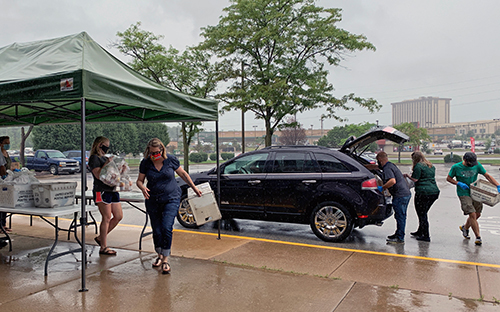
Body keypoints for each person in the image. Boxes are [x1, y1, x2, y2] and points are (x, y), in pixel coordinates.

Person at [136, 138, 201, 274]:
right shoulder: (146, 163)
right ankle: (159, 255)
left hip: (171, 198)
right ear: (148, 151)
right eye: (152, 152)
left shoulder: (170, 160)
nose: (155, 155)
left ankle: (165, 259)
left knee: (166, 227)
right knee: (157, 230)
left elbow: (182, 174)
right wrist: (142, 188)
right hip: (153, 200)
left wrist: (194, 188)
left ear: (162, 150)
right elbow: (139, 181)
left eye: (157, 152)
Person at [447, 152, 500, 246]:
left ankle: (465, 227)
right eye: (470, 163)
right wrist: (458, 183)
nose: (472, 165)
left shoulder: (477, 165)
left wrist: (498, 185)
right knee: (472, 213)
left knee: (477, 214)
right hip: (463, 192)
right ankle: (478, 237)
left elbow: (487, 175)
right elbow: (449, 178)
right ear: (465, 160)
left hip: (475, 191)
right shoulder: (456, 167)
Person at [88, 136, 123, 255]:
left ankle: (101, 238)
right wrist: (107, 164)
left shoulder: (104, 158)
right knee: (107, 217)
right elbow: (99, 175)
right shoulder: (94, 159)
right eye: (105, 146)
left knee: (118, 216)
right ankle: (103, 246)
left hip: (112, 189)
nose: (106, 148)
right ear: (99, 145)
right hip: (101, 190)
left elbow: (110, 174)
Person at [376, 152, 412, 244]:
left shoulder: (387, 168)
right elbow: (376, 167)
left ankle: (400, 238)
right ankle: (398, 233)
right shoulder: (391, 165)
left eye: (378, 161)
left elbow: (392, 181)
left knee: (400, 216)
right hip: (405, 193)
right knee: (400, 216)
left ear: (380, 160)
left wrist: (382, 188)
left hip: (400, 195)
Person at [403, 151, 440, 242]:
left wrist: (407, 176)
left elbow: (415, 179)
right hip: (434, 192)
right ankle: (420, 231)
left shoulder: (418, 166)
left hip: (423, 192)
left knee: (422, 214)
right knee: (423, 212)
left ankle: (426, 235)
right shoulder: (430, 165)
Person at [0, 136, 11, 233]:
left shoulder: (6, 153)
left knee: (4, 203)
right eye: (6, 142)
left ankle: (3, 224)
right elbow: (1, 167)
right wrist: (4, 176)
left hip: (6, 180)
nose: (8, 144)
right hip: (2, 180)